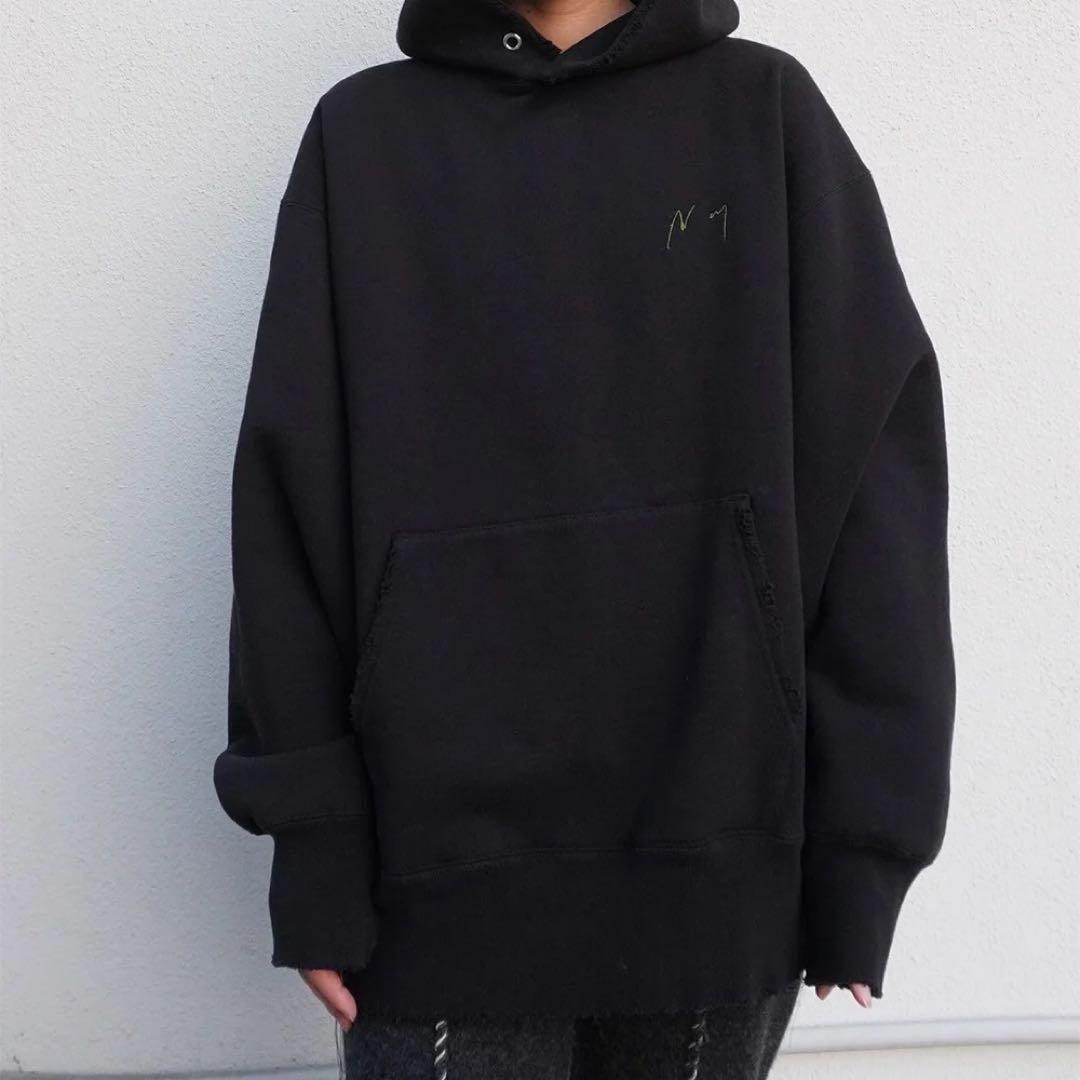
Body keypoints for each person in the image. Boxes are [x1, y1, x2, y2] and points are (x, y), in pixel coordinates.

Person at [214, 0, 956, 1076]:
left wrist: (864, 843)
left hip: (719, 872)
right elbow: (290, 507)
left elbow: (878, 491)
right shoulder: (363, 138)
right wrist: (314, 844)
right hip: (430, 879)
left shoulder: (764, 111)